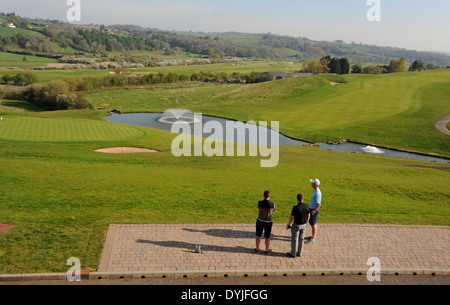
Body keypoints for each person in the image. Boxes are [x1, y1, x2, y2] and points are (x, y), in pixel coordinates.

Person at [286, 194, 311, 258]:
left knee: (294, 239)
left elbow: (291, 217)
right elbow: (309, 215)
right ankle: (300, 253)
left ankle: (293, 253)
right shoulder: (307, 206)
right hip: (304, 225)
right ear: (303, 198)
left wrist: (289, 224)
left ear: (297, 199)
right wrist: (306, 222)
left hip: (296, 225)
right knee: (301, 239)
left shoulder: (295, 207)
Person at [306, 179, 322, 244]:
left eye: (312, 183)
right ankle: (313, 236)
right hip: (312, 208)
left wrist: (314, 211)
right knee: (313, 223)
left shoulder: (317, 193)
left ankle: (313, 238)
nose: (311, 184)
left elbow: (319, 204)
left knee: (313, 224)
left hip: (314, 210)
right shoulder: (314, 190)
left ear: (315, 184)